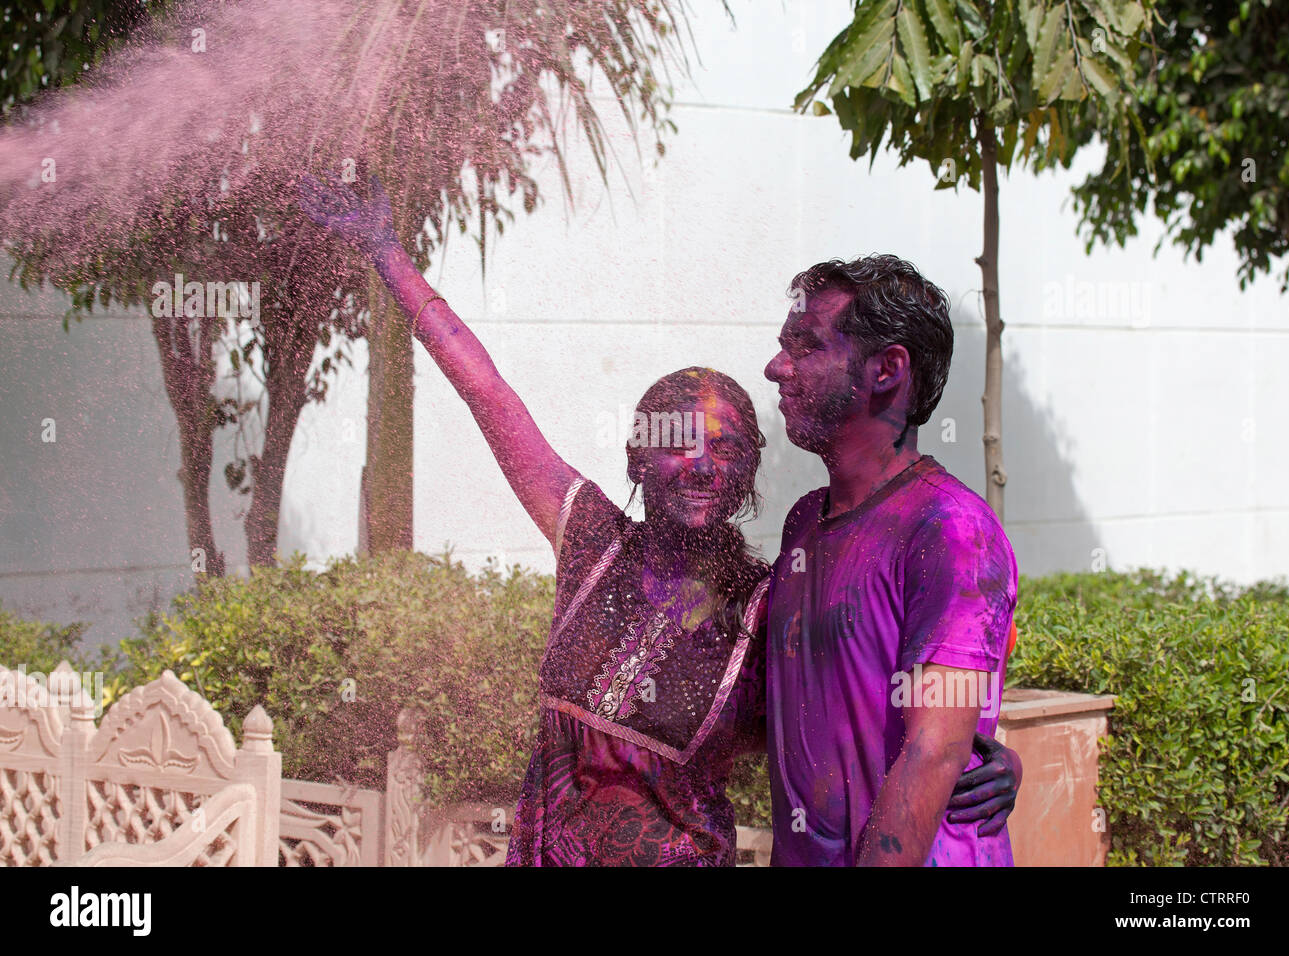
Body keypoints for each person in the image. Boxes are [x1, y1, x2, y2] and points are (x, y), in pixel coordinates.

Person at [298, 174, 1019, 865]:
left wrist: (983, 749)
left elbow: (905, 718)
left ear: (749, 470)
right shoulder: (605, 548)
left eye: (728, 445)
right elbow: (488, 393)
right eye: (676, 441)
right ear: (638, 458)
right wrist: (387, 253)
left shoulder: (768, 599)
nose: (701, 464)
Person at [763, 255, 1020, 866]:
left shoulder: (952, 528)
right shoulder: (804, 521)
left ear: (887, 369)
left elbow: (933, 750)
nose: (777, 368)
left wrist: (974, 747)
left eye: (806, 346)